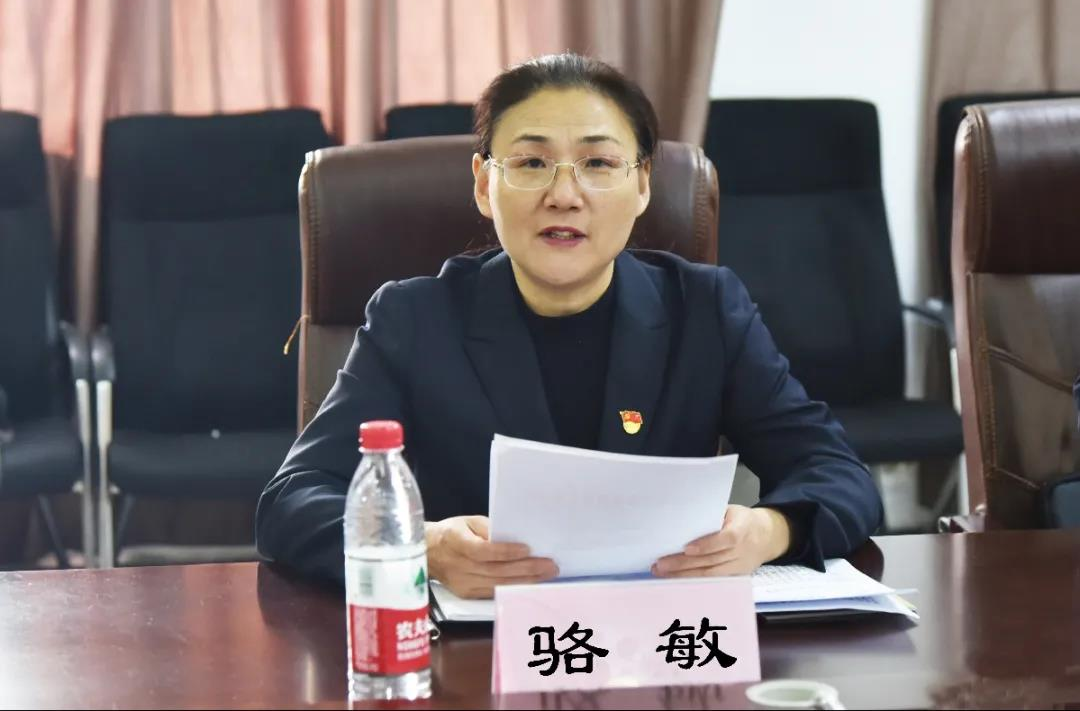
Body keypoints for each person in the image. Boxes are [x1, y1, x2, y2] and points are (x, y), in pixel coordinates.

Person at [256, 53, 883, 597]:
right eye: (531, 163)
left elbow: (838, 474)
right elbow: (292, 501)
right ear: (484, 185)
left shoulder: (706, 311)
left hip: (659, 648)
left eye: (598, 163)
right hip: (479, 653)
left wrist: (769, 530)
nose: (564, 194)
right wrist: (424, 547)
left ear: (643, 184)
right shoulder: (414, 319)